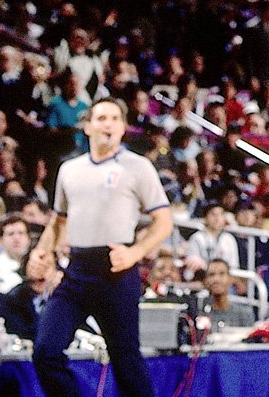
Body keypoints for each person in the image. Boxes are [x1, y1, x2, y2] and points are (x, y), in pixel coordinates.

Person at [32, 97, 174, 397]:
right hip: (77, 269)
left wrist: (135, 252)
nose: (107, 124)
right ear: (88, 126)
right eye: (101, 118)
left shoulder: (138, 167)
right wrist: (41, 252)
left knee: (126, 360)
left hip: (116, 270)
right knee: (46, 350)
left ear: (123, 127)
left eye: (114, 118)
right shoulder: (69, 169)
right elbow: (58, 221)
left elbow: (164, 222)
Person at [0, 246, 60, 342]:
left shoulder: (64, 297)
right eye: (35, 266)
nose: (41, 271)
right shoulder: (14, 299)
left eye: (47, 265)